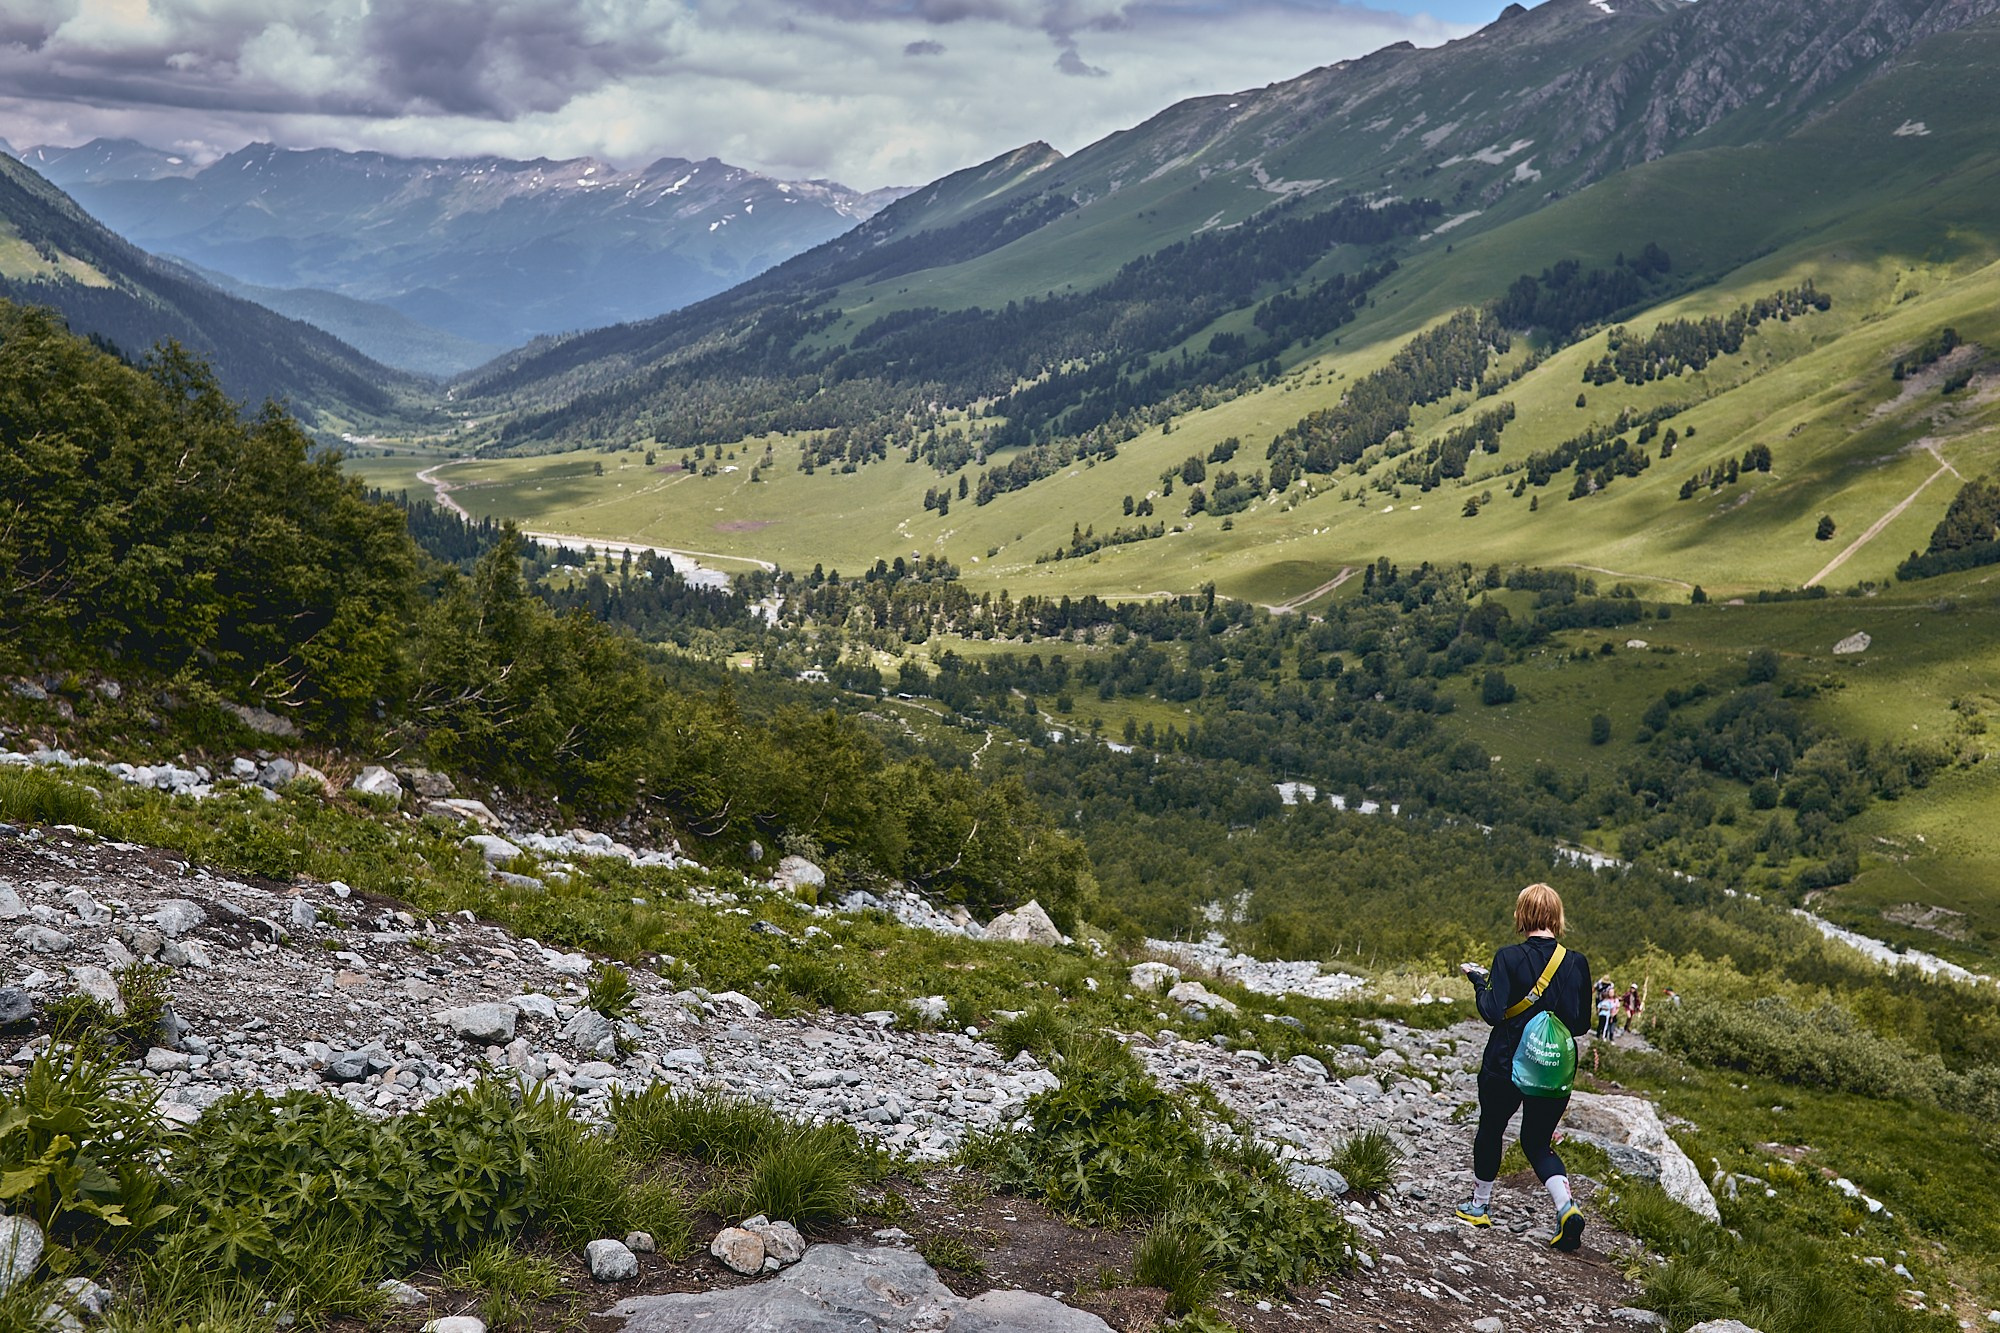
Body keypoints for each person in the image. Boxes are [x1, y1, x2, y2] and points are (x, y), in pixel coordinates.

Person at [1454, 883, 1594, 1251]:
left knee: (1491, 1129)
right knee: (1537, 1141)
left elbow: (1491, 1012)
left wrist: (1479, 982)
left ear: (1522, 915)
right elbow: (1581, 1024)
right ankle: (1566, 1208)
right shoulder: (1577, 963)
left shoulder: (1508, 957)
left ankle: (1479, 1206)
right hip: (1552, 1067)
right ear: (1557, 917)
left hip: (1505, 1062)